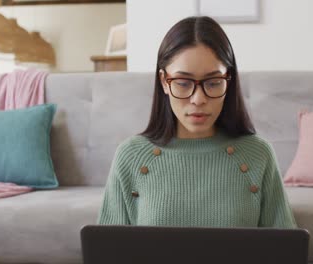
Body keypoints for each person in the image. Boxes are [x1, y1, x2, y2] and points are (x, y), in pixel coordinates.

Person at [98, 16, 297, 228]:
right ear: (164, 81)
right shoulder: (131, 156)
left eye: (213, 83)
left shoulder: (258, 155)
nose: (198, 99)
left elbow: (283, 249)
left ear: (228, 80)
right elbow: (108, 251)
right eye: (183, 83)